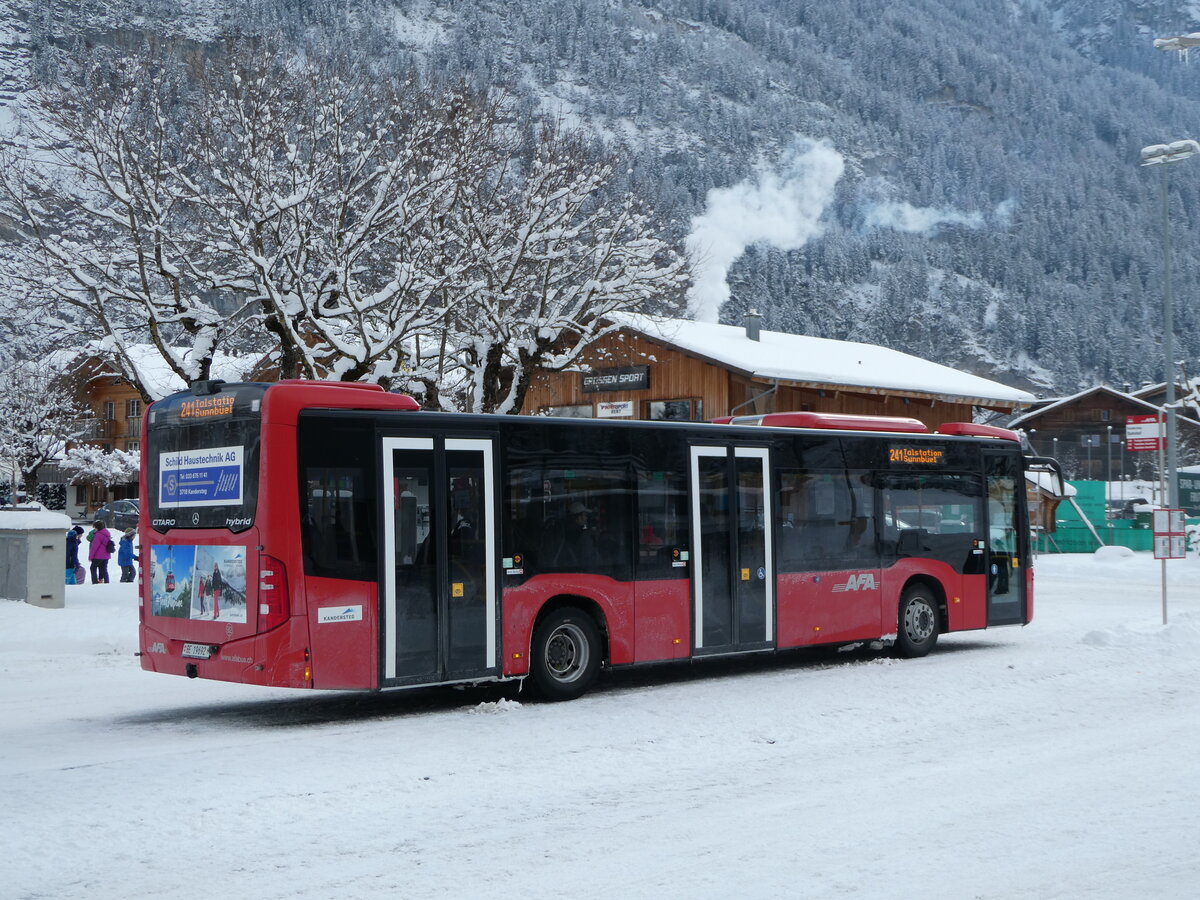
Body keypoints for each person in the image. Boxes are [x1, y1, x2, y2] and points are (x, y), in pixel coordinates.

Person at [87, 519, 113, 584]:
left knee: (93, 568)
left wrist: (91, 556)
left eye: (94, 527)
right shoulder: (107, 534)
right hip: (106, 555)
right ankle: (107, 582)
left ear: (97, 527)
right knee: (104, 569)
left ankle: (95, 582)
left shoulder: (98, 535)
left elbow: (94, 547)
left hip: (98, 556)